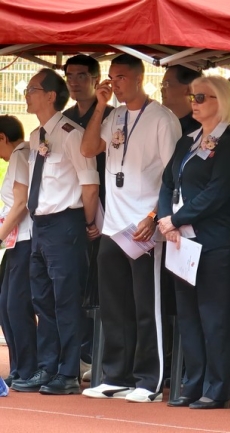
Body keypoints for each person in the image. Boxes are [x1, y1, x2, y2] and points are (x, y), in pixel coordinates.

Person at [80, 54, 181, 402]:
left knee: (146, 306)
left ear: (139, 79)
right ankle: (115, 376)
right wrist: (100, 105)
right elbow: (88, 148)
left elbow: (173, 176)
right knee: (114, 306)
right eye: (110, 77)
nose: (114, 83)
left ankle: (149, 380)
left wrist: (153, 216)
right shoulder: (114, 115)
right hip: (113, 226)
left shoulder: (162, 119)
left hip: (143, 227)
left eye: (121, 77)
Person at [11, 68, 100, 395]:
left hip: (66, 224)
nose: (27, 94)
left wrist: (87, 224)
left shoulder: (71, 134)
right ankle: (48, 367)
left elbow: (89, 185)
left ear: (50, 96)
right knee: (42, 300)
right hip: (41, 226)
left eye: (32, 89)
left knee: (66, 300)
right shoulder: (37, 136)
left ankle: (68, 371)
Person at [158, 75, 230, 409]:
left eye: (201, 98)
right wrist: (166, 220)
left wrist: (177, 219)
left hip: (215, 241)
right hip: (182, 241)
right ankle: (192, 383)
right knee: (189, 315)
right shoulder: (188, 140)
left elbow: (217, 192)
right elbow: (167, 183)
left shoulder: (229, 143)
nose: (194, 103)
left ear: (222, 102)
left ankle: (216, 386)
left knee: (214, 315)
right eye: (193, 97)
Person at [62, 54, 115, 383]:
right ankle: (80, 354)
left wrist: (95, 216)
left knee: (103, 286)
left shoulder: (111, 115)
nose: (75, 81)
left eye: (82, 75)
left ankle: (102, 355)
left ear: (96, 79)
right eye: (69, 76)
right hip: (73, 211)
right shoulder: (64, 119)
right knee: (76, 286)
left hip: (108, 209)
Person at [0, 116, 35, 388]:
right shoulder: (19, 156)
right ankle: (18, 367)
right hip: (16, 241)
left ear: (2, 138)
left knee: (16, 305)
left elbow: (21, 203)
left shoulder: (20, 156)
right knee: (6, 304)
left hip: (25, 240)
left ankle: (27, 368)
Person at [162, 65, 203, 135]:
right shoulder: (166, 124)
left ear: (189, 89)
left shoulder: (199, 131)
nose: (162, 89)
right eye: (162, 84)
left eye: (166, 84)